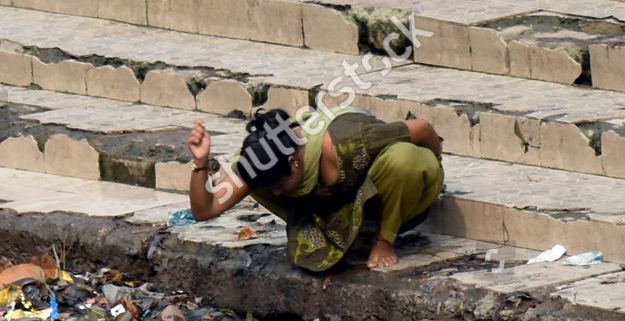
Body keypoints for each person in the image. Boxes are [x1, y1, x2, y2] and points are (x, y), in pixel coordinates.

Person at [186, 106, 444, 270]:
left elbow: (422, 129)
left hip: (391, 197)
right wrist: (200, 164)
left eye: (280, 185)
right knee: (252, 179)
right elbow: (204, 210)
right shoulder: (262, 159)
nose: (276, 194)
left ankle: (383, 239)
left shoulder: (349, 142)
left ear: (295, 163)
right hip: (336, 205)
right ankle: (346, 234)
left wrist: (431, 169)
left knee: (405, 159)